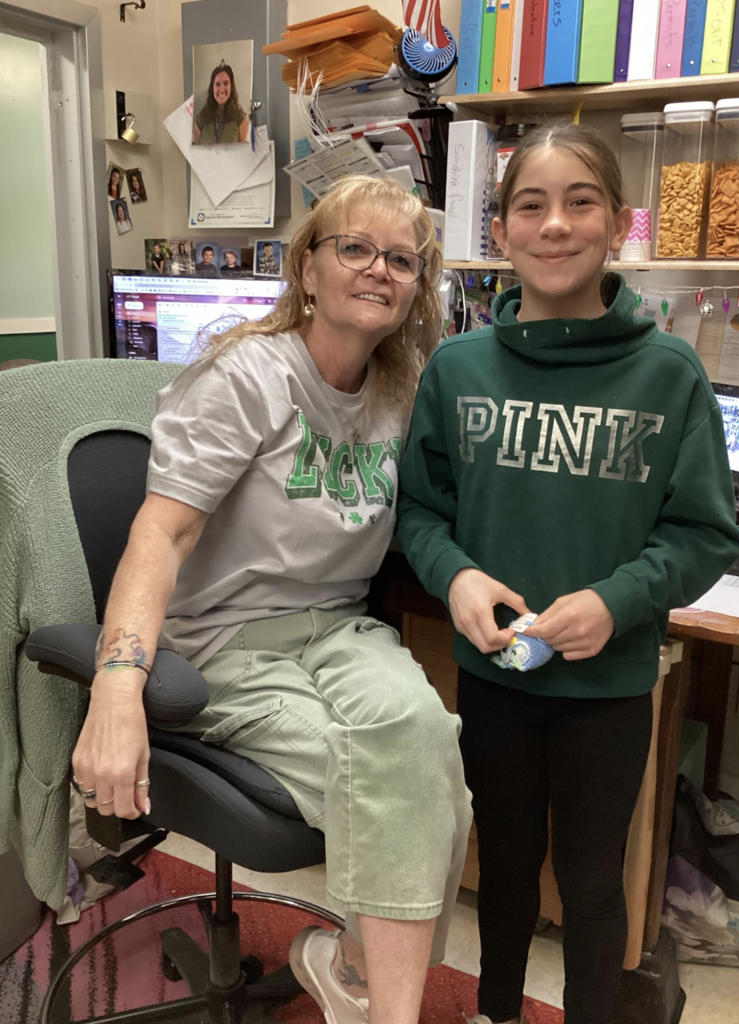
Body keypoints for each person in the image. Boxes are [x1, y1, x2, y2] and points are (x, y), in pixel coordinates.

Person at [70, 175, 472, 1024]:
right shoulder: (248, 375)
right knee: (391, 778)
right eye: (354, 249)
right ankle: (377, 1000)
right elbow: (161, 534)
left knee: (429, 744)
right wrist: (116, 686)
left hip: (339, 631)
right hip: (226, 642)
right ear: (308, 270)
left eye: (400, 259)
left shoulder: (401, 390)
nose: (378, 270)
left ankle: (357, 972)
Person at [396, 122, 739, 1024]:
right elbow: (420, 511)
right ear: (502, 231)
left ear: (619, 224)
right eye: (530, 205)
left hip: (609, 687)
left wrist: (616, 599)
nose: (555, 225)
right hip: (494, 678)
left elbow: (705, 533)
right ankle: (497, 1011)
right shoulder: (456, 367)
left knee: (592, 883)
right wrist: (457, 578)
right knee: (504, 865)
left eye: (579, 202)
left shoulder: (667, 373)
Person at [193, 61, 248, 145]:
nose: (221, 89)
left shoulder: (240, 118)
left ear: (231, 86)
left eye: (226, 83)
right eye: (217, 84)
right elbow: (196, 153)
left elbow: (241, 154)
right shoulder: (202, 118)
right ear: (212, 88)